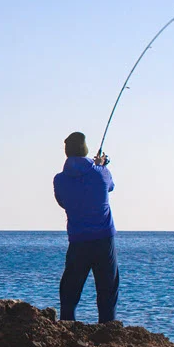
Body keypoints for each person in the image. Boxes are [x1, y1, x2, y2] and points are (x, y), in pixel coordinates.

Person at [53, 131, 119, 323]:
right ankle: (108, 331)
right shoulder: (101, 174)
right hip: (103, 239)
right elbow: (111, 186)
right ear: (85, 150)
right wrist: (100, 165)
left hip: (78, 241)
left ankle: (66, 329)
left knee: (70, 292)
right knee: (107, 290)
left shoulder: (59, 179)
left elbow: (62, 202)